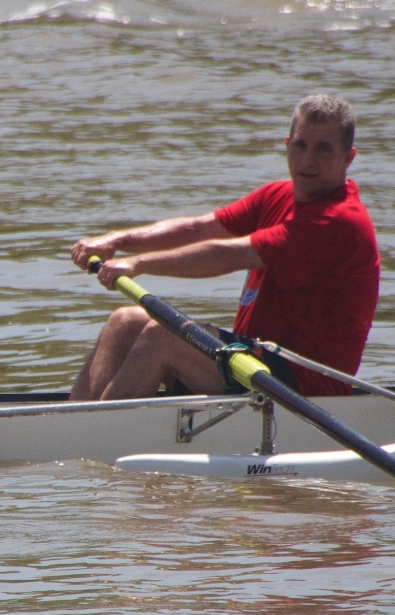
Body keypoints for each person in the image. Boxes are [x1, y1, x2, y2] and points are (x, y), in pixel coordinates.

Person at [69, 94, 379, 400]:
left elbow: (225, 255)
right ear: (287, 144)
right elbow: (196, 229)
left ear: (348, 157)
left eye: (323, 149)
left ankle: (94, 439)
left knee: (162, 336)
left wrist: (137, 264)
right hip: (253, 357)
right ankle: (74, 425)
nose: (308, 160)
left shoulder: (337, 222)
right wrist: (116, 241)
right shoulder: (277, 195)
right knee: (124, 321)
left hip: (303, 384)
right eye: (300, 145)